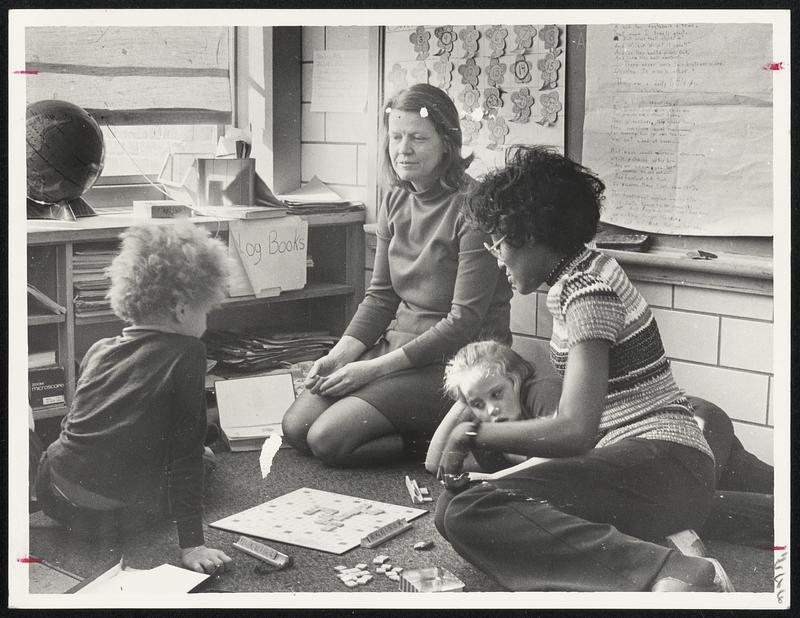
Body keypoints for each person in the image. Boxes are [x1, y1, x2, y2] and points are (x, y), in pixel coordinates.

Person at [433, 145, 735, 592]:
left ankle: (666, 569)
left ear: (531, 233)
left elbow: (574, 430)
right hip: (656, 464)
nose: (497, 258)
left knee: (464, 511)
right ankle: (658, 556)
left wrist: (473, 433)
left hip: (662, 460)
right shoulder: (582, 272)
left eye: (498, 243)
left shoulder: (587, 293)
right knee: (453, 507)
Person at [281, 83, 512, 467]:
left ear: (447, 143)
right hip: (400, 351)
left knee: (327, 439)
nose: (404, 149)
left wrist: (370, 369)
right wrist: (339, 357)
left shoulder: (474, 209)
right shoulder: (395, 198)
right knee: (296, 426)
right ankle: (410, 422)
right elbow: (381, 297)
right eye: (396, 137)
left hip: (459, 363)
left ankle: (439, 440)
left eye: (418, 138)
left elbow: (463, 322)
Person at [428, 341, 774, 548]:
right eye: (478, 404)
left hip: (688, 423)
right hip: (653, 446)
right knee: (705, 499)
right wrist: (466, 395)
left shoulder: (540, 392)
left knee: (696, 501)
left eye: (497, 393)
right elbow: (434, 461)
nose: (491, 409)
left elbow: (557, 460)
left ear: (517, 379)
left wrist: (474, 412)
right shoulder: (489, 425)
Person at [35, 222, 233, 574]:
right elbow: (185, 456)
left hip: (53, 494)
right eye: (206, 309)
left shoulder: (98, 349)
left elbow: (78, 425)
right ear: (182, 308)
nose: (206, 319)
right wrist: (192, 544)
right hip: (110, 517)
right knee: (205, 463)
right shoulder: (189, 352)